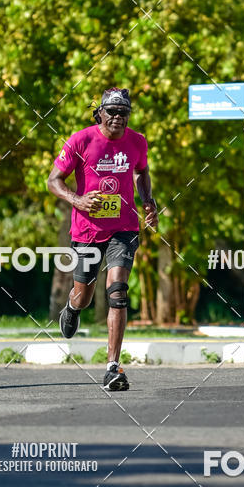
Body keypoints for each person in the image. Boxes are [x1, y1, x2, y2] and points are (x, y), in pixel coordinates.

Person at [47, 87, 158, 391]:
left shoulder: (137, 141)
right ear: (100, 114)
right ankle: (71, 309)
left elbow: (141, 172)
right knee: (83, 295)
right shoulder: (80, 140)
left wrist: (148, 200)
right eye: (112, 112)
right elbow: (53, 181)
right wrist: (77, 199)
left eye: (124, 113)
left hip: (123, 228)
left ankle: (112, 367)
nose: (118, 118)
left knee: (118, 291)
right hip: (87, 231)